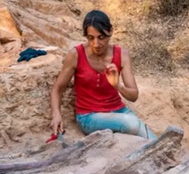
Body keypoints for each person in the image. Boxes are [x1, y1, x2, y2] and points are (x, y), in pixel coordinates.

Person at [50, 10, 155, 139]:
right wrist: (56, 114)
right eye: (91, 38)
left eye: (101, 37)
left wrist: (118, 86)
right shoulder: (76, 55)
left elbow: (133, 96)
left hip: (119, 111)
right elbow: (58, 88)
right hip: (88, 117)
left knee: (155, 141)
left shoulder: (122, 55)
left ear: (110, 32)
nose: (96, 44)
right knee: (132, 124)